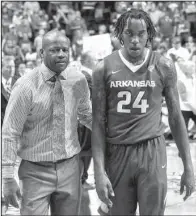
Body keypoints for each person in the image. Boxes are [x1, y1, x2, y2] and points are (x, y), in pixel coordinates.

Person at [91, 8, 195, 216]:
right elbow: (98, 123)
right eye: (129, 33)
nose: (135, 40)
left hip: (152, 152)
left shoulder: (164, 65)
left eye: (141, 34)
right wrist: (99, 173)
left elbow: (175, 118)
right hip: (117, 153)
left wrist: (189, 167)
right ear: (120, 33)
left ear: (149, 34)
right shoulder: (103, 68)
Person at [2, 30, 92, 215]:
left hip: (71, 167)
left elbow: (86, 115)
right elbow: (10, 132)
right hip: (34, 172)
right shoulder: (25, 85)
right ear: (41, 53)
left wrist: (113, 133)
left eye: (65, 50)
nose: (61, 54)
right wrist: (7, 177)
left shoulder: (78, 80)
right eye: (54, 50)